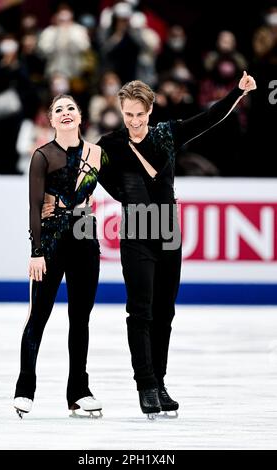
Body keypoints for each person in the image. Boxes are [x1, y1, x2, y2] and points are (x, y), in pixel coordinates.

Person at [96, 71, 256, 418]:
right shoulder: (110, 144)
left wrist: (237, 92)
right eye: (128, 115)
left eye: (140, 114)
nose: (135, 122)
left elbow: (211, 117)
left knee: (164, 313)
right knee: (140, 311)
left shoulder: (167, 134)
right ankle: (146, 385)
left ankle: (161, 382)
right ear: (121, 112)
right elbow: (99, 179)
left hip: (169, 233)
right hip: (136, 233)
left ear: (150, 111)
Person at [14, 94, 107, 418]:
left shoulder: (97, 154)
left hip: (84, 236)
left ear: (80, 116)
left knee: (80, 319)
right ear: (51, 120)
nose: (65, 113)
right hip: (51, 242)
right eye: (58, 110)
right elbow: (34, 207)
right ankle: (25, 388)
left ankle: (78, 392)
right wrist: (36, 252)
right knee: (38, 316)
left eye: (70, 108)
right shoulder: (43, 156)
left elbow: (124, 188)